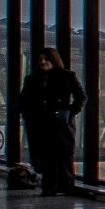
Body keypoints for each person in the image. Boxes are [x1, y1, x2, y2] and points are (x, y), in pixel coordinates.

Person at [15, 47, 85, 195]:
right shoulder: (32, 79)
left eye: (46, 59)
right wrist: (29, 115)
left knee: (64, 154)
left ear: (53, 60)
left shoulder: (67, 76)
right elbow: (23, 100)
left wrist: (70, 112)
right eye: (40, 59)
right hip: (42, 123)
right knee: (46, 155)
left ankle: (65, 185)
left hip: (61, 124)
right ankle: (50, 187)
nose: (43, 62)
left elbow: (81, 97)